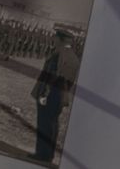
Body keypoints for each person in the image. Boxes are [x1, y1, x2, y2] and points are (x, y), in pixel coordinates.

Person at [32, 29, 79, 161]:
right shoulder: (74, 57)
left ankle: (42, 155)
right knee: (53, 124)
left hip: (50, 94)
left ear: (61, 39)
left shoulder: (58, 55)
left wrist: (44, 94)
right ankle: (48, 155)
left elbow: (52, 76)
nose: (54, 39)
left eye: (55, 37)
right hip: (62, 95)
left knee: (44, 124)